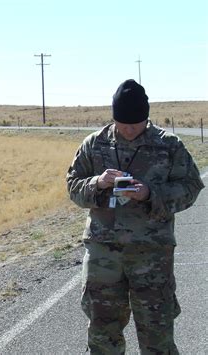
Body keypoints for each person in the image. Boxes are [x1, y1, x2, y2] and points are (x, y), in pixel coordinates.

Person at [66, 79, 204, 354]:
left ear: (147, 117)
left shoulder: (168, 146)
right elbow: (73, 187)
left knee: (157, 333)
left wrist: (151, 194)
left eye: (136, 123)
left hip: (151, 255)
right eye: (122, 122)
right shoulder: (94, 145)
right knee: (103, 334)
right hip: (104, 256)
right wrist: (98, 183)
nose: (129, 129)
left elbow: (191, 187)